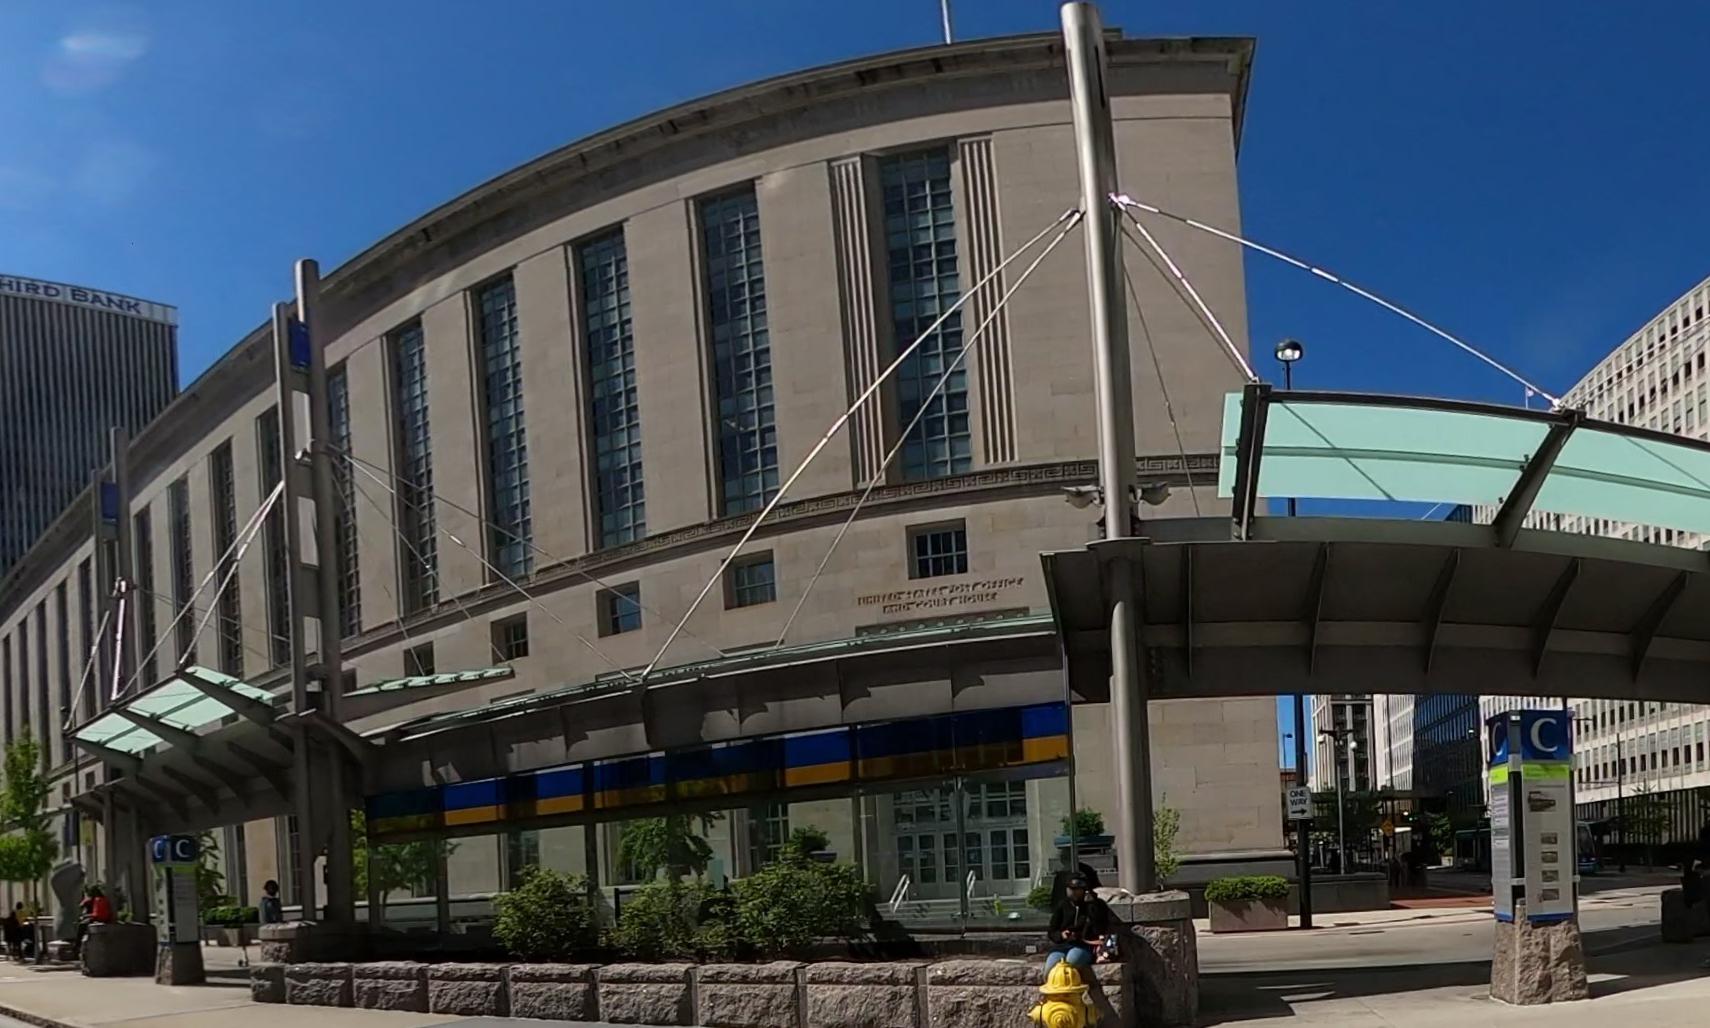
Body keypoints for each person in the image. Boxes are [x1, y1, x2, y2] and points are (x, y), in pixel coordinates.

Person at [1045, 874, 1113, 974]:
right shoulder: (1063, 905)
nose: (1072, 892)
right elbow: (1052, 931)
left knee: (1071, 962)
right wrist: (1061, 935)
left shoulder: (1096, 905)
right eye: (1070, 889)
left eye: (1076, 889)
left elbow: (1100, 928)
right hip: (1063, 946)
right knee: (1050, 969)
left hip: (1085, 946)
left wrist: (1092, 906)